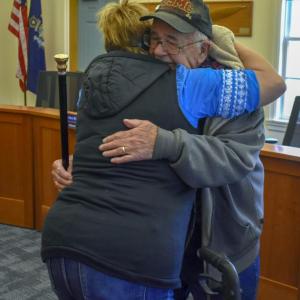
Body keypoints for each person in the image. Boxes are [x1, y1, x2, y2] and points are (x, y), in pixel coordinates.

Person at [49, 1, 286, 300]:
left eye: (171, 42)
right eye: (155, 40)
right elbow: (114, 141)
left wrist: (167, 143)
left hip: (224, 238)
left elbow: (235, 159)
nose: (159, 52)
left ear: (203, 49)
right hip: (166, 239)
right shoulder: (154, 80)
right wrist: (79, 166)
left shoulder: (234, 90)